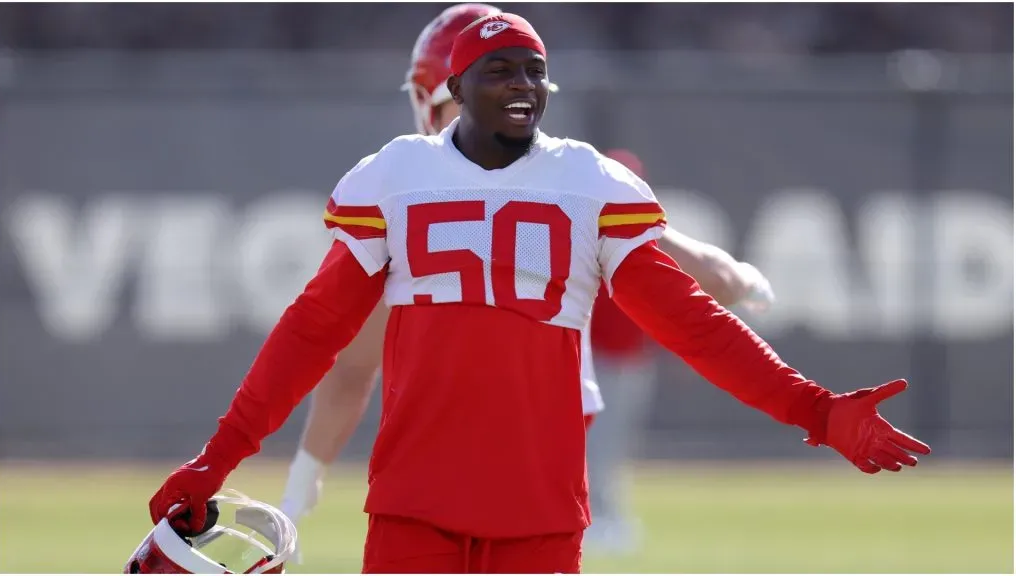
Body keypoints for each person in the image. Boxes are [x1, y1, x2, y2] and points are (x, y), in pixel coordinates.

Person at [149, 12, 931, 574]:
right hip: (414, 505)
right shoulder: (393, 179)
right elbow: (311, 332)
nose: (523, 85)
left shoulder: (589, 184)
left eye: (534, 70)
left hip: (541, 516)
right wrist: (215, 460)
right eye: (501, 69)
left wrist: (814, 409)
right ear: (456, 84)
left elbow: (692, 326)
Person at [279, 5, 776, 556]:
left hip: (448, 467)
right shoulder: (570, 185)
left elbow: (352, 365)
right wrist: (738, 277)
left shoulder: (402, 190)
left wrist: (304, 477)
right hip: (530, 465)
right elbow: (714, 278)